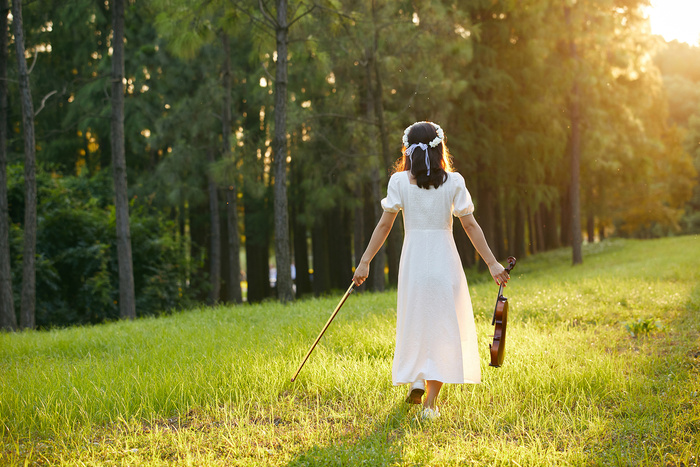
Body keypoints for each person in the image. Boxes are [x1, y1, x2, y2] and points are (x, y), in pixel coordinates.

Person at [352, 121, 510, 420]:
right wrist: (492, 263)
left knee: (416, 322)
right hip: (443, 262)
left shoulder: (399, 182)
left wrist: (365, 261)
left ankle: (416, 380)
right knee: (442, 329)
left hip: (413, 263)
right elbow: (470, 225)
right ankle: (430, 405)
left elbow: (384, 225)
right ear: (441, 149)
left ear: (407, 151)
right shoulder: (454, 181)